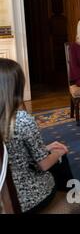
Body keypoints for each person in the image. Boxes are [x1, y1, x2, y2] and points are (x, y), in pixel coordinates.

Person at [0, 58, 73, 213]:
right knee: (60, 159)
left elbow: (13, 155)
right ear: (17, 86)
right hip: (26, 199)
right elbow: (43, 164)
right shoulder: (22, 119)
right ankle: (73, 201)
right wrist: (59, 151)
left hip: (3, 199)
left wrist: (45, 148)